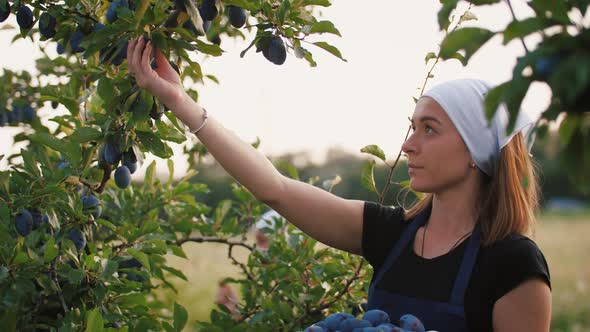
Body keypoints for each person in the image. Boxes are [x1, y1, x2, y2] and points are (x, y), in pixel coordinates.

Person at [127, 37, 551, 331]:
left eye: (430, 129)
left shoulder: (512, 264)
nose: (408, 144)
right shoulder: (392, 234)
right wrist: (179, 102)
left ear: (477, 150)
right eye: (411, 127)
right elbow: (274, 188)